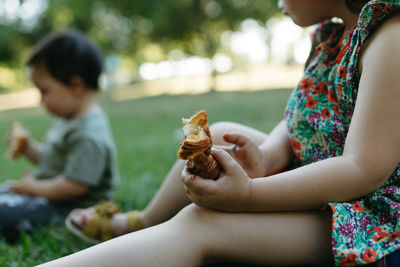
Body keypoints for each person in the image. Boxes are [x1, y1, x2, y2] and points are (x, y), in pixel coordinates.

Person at [43, 0, 400, 266]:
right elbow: (301, 118)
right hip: (329, 191)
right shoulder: (332, 35)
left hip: (372, 221)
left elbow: (362, 170)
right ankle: (145, 223)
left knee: (203, 223)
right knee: (223, 134)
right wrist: (271, 154)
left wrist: (247, 195)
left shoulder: (391, 38)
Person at [0, 29, 119, 242]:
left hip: (71, 208)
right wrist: (28, 148)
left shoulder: (88, 134)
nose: (41, 100)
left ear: (76, 85)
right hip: (51, 198)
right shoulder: (69, 120)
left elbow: (74, 186)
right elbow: (53, 160)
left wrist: (33, 189)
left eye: (44, 91)